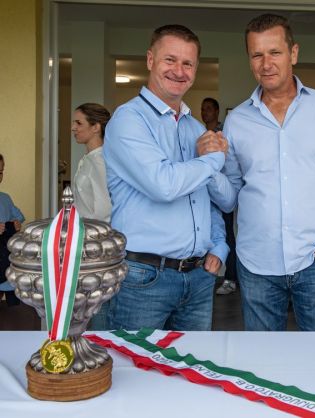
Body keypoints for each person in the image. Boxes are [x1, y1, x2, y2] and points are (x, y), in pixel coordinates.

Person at [205, 14, 315, 331]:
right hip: (257, 264)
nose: (266, 64)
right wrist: (209, 166)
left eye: (275, 52)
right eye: (257, 55)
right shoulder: (237, 120)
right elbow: (230, 197)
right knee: (262, 358)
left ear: (293, 53)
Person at [103, 24, 229, 331]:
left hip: (198, 279)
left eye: (188, 63)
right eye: (170, 60)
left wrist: (219, 245)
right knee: (135, 361)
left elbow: (223, 201)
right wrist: (214, 159)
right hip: (143, 278)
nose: (179, 71)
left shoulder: (195, 128)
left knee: (193, 362)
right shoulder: (128, 120)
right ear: (150, 60)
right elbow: (164, 185)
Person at [201, 97, 237, 295]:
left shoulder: (223, 133)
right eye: (202, 109)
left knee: (226, 235)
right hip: (203, 192)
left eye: (208, 109)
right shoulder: (199, 132)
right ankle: (206, 274)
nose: (204, 112)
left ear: (216, 111)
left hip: (222, 191)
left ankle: (230, 278)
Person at [72, 103, 112, 222]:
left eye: (79, 123)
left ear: (96, 127)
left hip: (95, 230)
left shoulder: (99, 161)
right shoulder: (88, 159)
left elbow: (105, 209)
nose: (73, 127)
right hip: (82, 228)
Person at [0, 154, 24, 306]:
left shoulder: (5, 198)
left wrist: (16, 223)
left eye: (1, 172)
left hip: (5, 253)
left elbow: (19, 216)